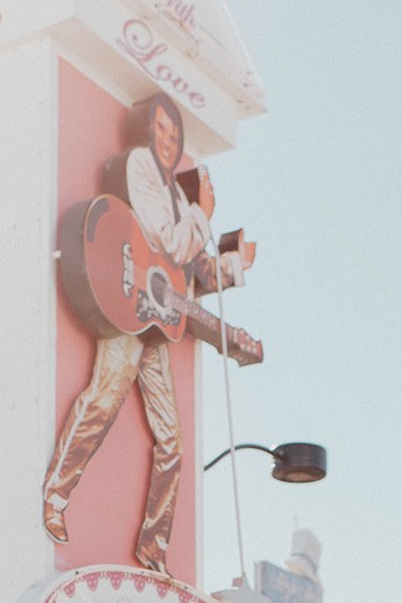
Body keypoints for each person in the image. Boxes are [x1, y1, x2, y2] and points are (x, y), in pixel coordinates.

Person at [42, 92, 254, 571]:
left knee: (172, 441)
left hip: (154, 317)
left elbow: (191, 266)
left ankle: (153, 545)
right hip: (125, 300)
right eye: (160, 129)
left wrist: (234, 265)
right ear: (144, 131)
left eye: (174, 134)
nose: (167, 140)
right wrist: (204, 213)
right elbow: (167, 241)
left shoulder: (178, 195)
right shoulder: (138, 165)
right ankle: (55, 495)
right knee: (102, 400)